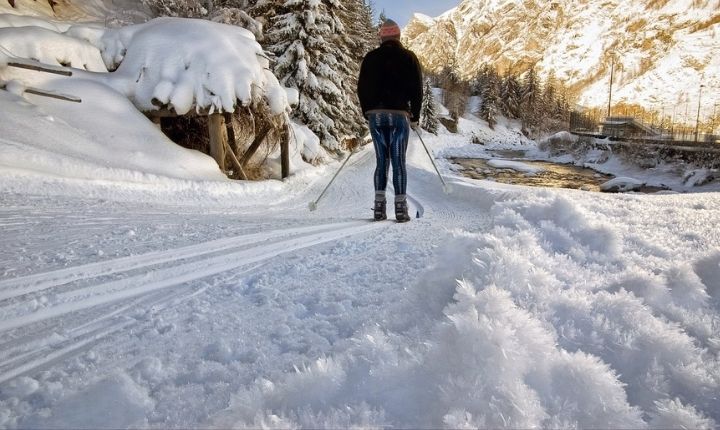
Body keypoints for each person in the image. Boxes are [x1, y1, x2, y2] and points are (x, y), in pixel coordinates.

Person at [357, 19, 423, 222]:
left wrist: (367, 111)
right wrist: (415, 116)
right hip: (400, 116)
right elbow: (417, 90)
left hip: (376, 116)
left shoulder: (370, 58)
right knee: (398, 162)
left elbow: (361, 88)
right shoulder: (409, 57)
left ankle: (379, 209)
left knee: (381, 161)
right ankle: (401, 210)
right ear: (398, 37)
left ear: (382, 37)